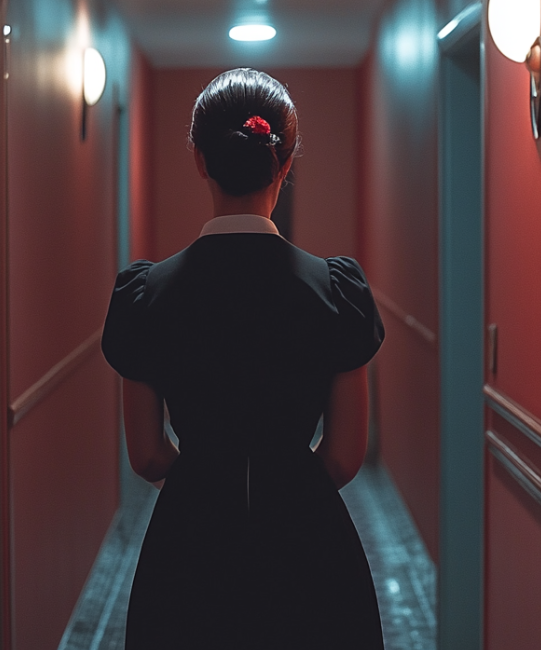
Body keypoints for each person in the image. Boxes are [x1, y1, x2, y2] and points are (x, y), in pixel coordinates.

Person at [101, 68, 386, 650]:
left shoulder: (146, 294)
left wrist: (211, 483)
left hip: (189, 539)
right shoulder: (337, 291)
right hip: (308, 542)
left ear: (200, 160)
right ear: (284, 164)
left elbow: (148, 454)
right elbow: (343, 457)